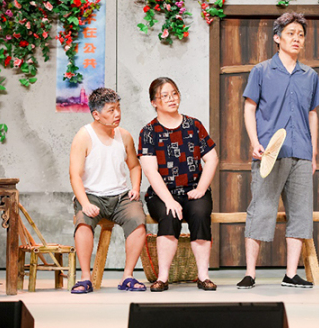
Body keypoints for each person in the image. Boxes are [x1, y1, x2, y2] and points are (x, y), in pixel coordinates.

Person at [237, 12, 319, 290]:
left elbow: (312, 114)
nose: (297, 39)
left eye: (301, 35)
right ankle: (250, 273)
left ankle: (291, 274)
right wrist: (254, 141)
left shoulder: (310, 75)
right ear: (277, 38)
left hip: (302, 153)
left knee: (300, 213)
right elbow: (249, 108)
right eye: (290, 34)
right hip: (269, 154)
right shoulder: (261, 71)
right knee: (261, 210)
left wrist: (314, 153)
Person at [138, 77, 219, 292]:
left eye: (174, 93)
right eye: (164, 96)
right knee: (169, 214)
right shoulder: (148, 132)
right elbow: (150, 171)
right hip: (162, 193)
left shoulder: (194, 125)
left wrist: (201, 189)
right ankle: (162, 278)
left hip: (194, 190)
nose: (172, 98)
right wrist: (169, 200)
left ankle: (203, 276)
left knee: (200, 213)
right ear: (154, 102)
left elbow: (212, 159)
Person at [69, 87, 147, 294]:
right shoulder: (84, 136)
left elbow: (135, 166)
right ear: (96, 114)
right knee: (83, 223)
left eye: (118, 108)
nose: (117, 114)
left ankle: (128, 276)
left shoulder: (125, 136)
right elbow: (75, 175)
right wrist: (85, 203)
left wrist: (135, 188)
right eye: (111, 110)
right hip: (92, 195)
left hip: (121, 197)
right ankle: (85, 278)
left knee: (138, 220)